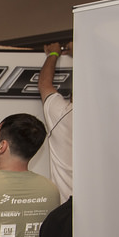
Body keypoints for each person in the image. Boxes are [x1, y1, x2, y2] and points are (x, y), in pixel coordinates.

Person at [39, 41, 73, 203]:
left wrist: (53, 54)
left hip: (68, 209)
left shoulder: (64, 115)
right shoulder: (106, 119)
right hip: (102, 210)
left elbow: (44, 84)